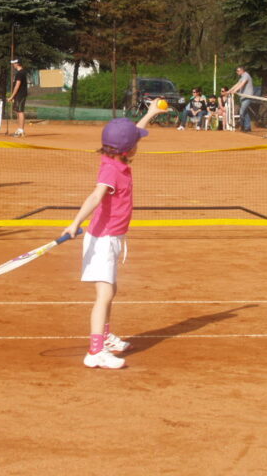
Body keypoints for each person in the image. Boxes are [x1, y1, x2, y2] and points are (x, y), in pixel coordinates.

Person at [62, 100, 165, 369]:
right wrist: (75, 223)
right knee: (105, 294)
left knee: (111, 290)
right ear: (128, 150)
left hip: (113, 236)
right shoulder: (111, 169)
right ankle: (95, 352)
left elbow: (131, 135)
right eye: (136, 142)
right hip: (103, 239)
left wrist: (150, 114)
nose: (138, 144)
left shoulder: (114, 155)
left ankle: (105, 338)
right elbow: (95, 197)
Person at [227, 66, 255, 132]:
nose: (237, 72)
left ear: (242, 70)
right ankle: (247, 127)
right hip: (243, 97)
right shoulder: (242, 77)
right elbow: (237, 84)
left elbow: (242, 84)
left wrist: (235, 91)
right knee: (245, 112)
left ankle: (242, 125)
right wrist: (229, 91)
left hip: (247, 97)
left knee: (242, 111)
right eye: (236, 71)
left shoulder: (246, 75)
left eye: (238, 71)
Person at [8, 59, 28, 137]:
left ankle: (21, 130)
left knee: (20, 111)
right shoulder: (20, 72)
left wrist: (12, 96)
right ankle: (19, 129)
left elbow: (17, 85)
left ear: (17, 64)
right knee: (18, 111)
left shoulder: (20, 73)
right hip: (18, 95)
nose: (13, 65)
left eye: (14, 63)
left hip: (21, 95)